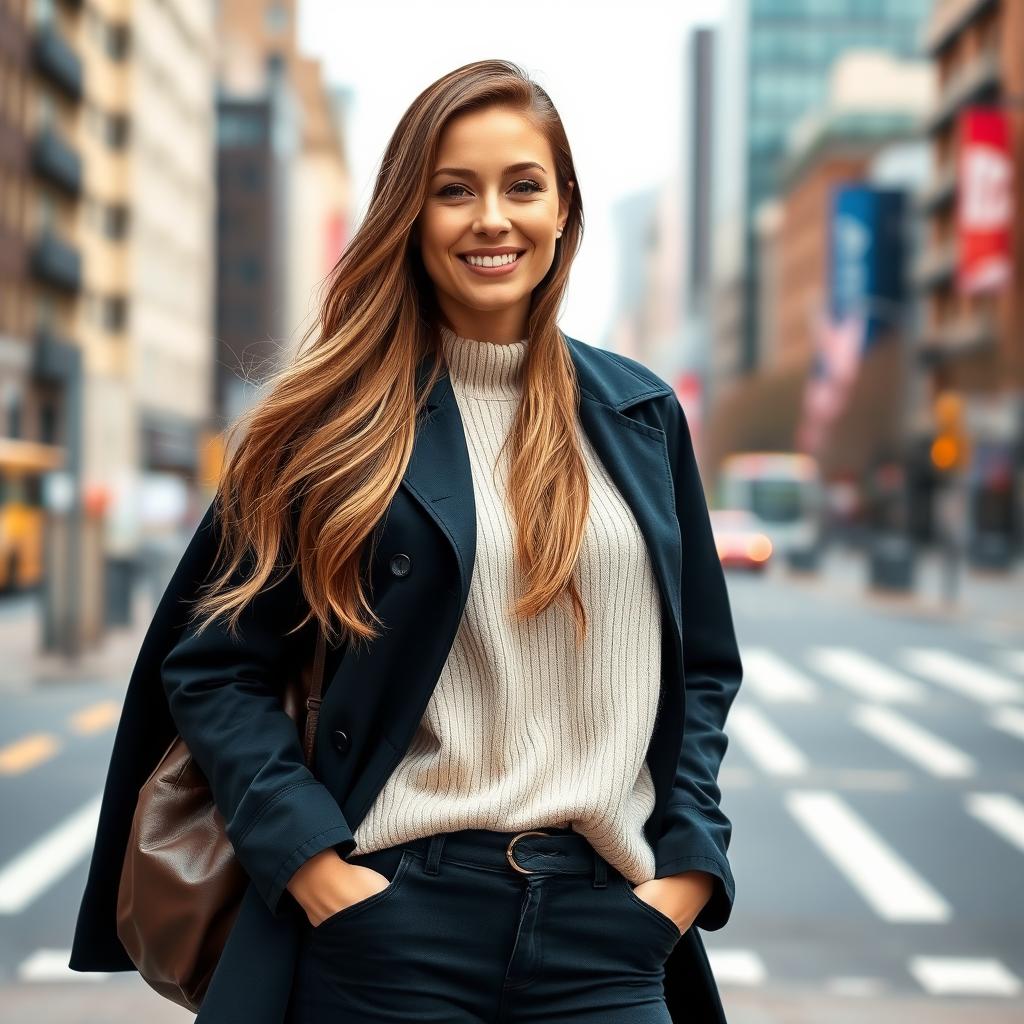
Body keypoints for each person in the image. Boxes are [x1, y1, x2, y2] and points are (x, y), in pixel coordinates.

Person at [70, 59, 743, 1024]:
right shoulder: (328, 425)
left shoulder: (640, 416)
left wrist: (685, 871)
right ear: (408, 216)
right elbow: (215, 670)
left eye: (523, 185)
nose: (492, 220)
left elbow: (703, 671)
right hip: (393, 931)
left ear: (564, 211)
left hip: (610, 934)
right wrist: (312, 867)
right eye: (452, 190)